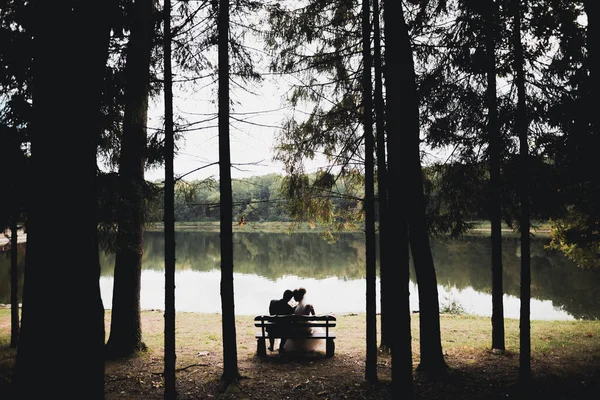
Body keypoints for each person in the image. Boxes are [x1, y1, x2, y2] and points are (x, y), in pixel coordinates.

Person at [282, 287, 325, 353]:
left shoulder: (297, 306)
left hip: (296, 329)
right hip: (305, 328)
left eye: (294, 297)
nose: (293, 298)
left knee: (290, 328)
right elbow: (314, 318)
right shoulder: (308, 305)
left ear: (297, 297)